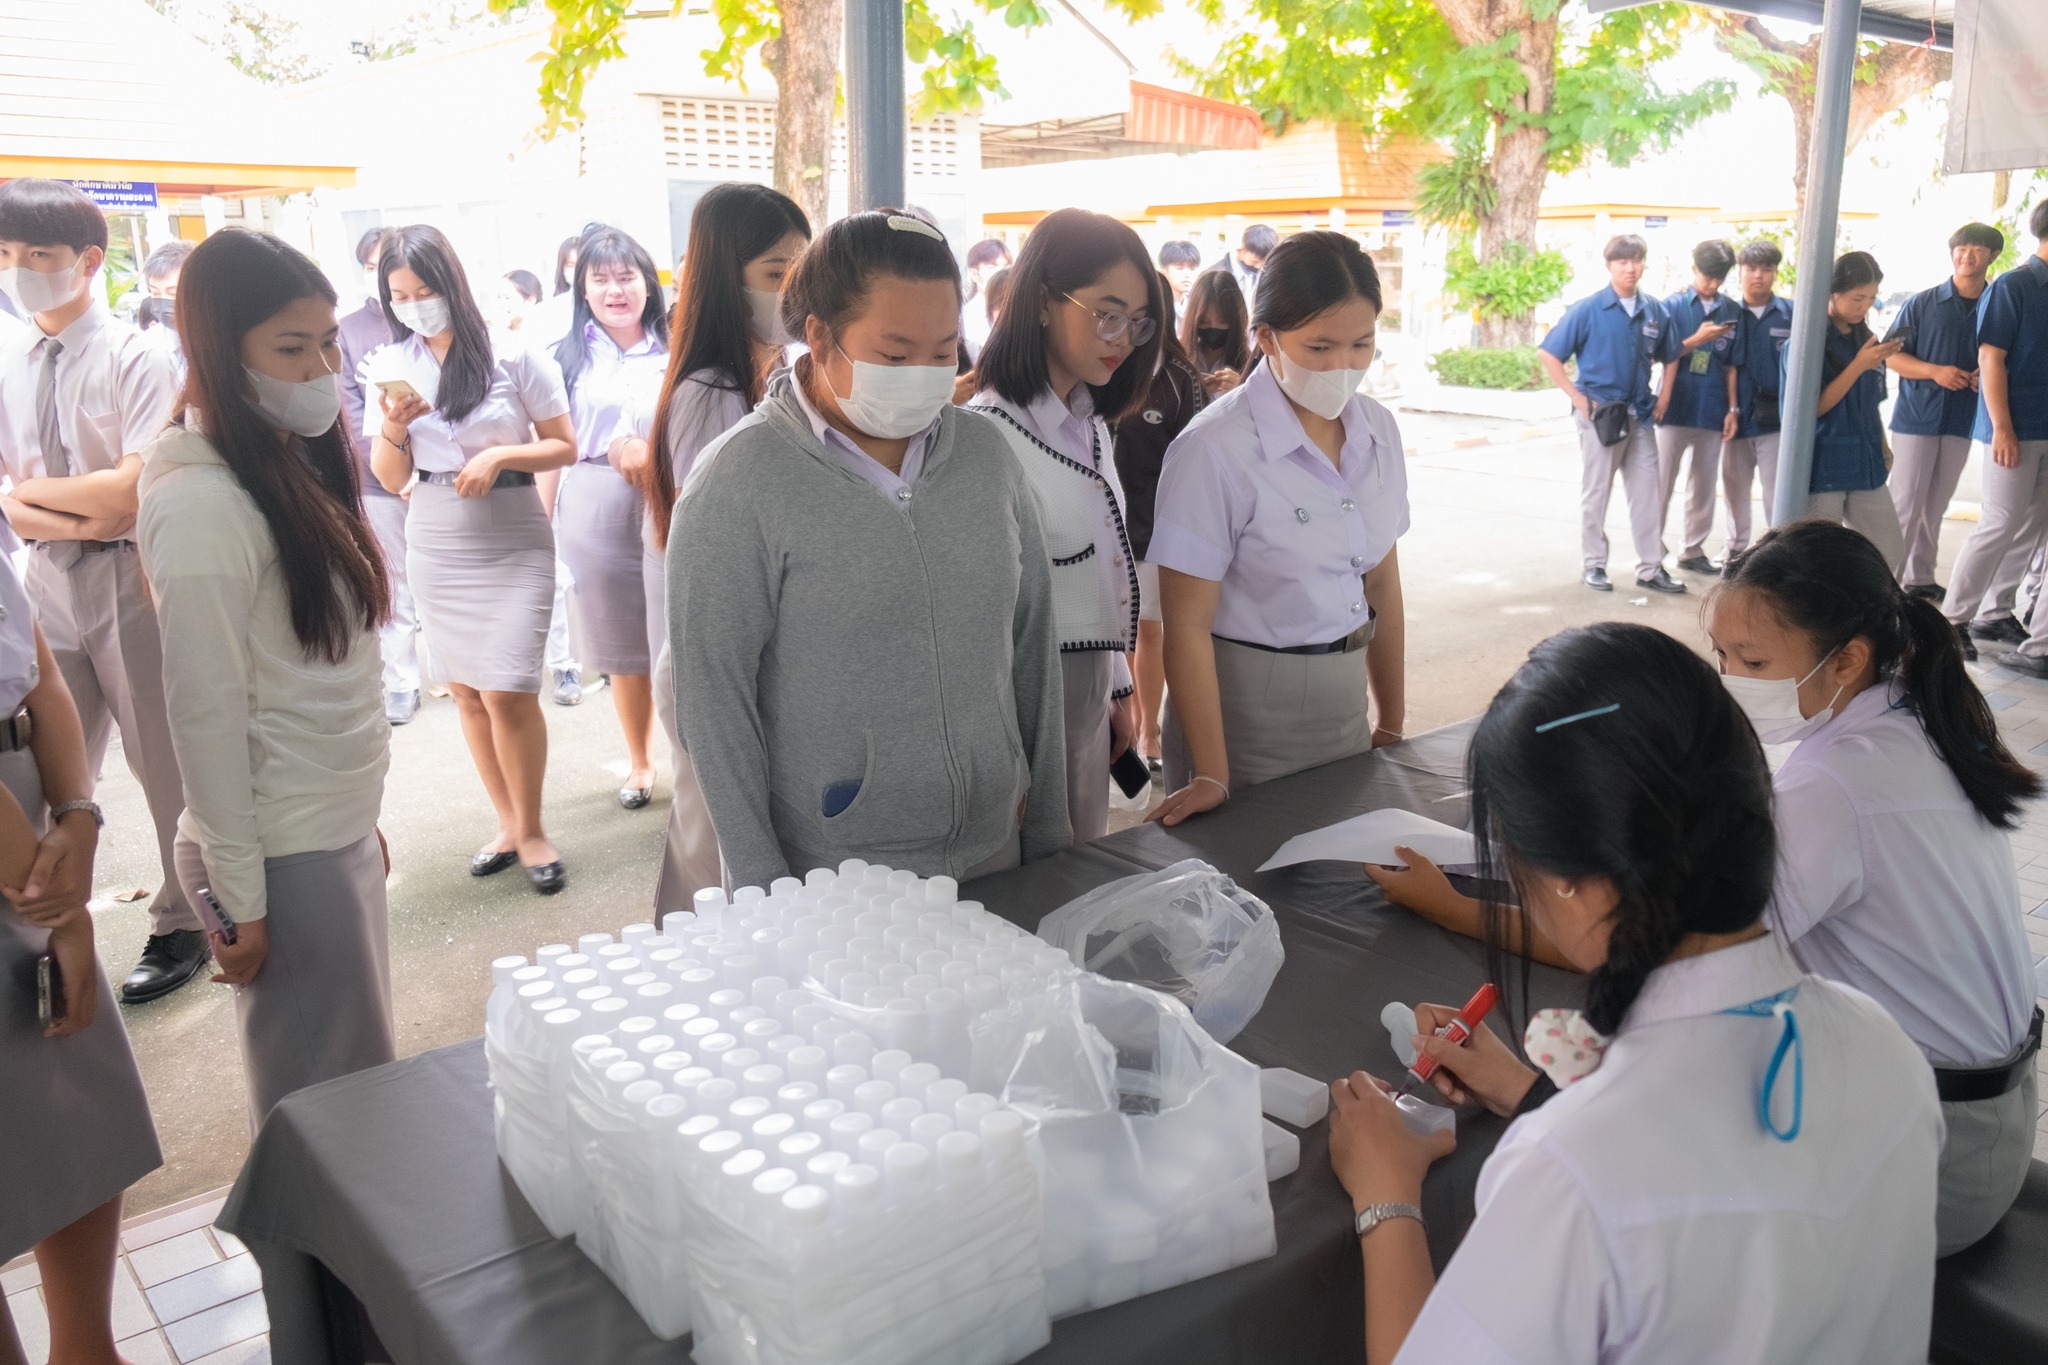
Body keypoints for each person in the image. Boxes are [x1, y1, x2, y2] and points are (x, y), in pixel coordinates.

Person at [1328, 622, 1940, 1365]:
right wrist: (1529, 1090)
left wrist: (1384, 1194)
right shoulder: (1886, 1049)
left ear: (1569, 883)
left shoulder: (1572, 1175)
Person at [669, 209, 1070, 886]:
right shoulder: (738, 482)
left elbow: (1032, 640)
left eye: (944, 352)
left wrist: (1052, 827)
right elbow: (713, 704)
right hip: (836, 877)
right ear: (821, 337)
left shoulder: (985, 455)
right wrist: (764, 887)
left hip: (993, 848)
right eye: (894, 354)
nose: (923, 371)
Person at [1712, 521, 2040, 1255]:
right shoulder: (1912, 719)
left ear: (1847, 660)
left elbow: (1698, 947)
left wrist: (1457, 901)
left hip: (1940, 1158)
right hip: (1984, 1117)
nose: (1729, 677)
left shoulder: (1837, 781)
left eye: (1752, 658)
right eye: (1721, 654)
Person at [138, 228, 398, 1125]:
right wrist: (241, 898)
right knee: (330, 1108)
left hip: (322, 833)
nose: (325, 365)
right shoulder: (200, 498)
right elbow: (204, 717)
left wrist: (360, 827)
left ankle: (338, 1268)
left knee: (353, 1085)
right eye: (293, 347)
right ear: (217, 347)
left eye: (329, 341)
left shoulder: (276, 464)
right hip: (281, 852)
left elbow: (316, 679)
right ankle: (315, 1273)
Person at [0, 177, 206, 1004]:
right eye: (7, 254)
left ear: (89, 261)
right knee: (51, 760)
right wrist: (59, 509)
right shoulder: (11, 359)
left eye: (38, 255)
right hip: (42, 580)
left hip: (130, 572)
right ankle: (46, 917)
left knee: (163, 759)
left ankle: (183, 915)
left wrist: (31, 504)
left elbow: (129, 492)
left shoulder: (137, 353)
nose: (20, 269)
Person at [1148, 230, 1407, 827]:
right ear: (1265, 338)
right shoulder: (1214, 450)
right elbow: (1185, 624)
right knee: (1249, 882)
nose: (1342, 367)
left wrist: (1389, 720)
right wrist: (1212, 770)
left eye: (1361, 345)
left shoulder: (1378, 431)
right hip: (1243, 712)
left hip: (1344, 698)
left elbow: (1383, 588)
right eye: (1318, 347)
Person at [366, 224, 577, 893]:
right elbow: (384, 468)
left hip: (512, 530)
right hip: (436, 530)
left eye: (423, 290)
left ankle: (535, 827)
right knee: (468, 692)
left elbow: (563, 446)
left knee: (510, 687)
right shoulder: (390, 363)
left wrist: (501, 454)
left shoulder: (515, 354)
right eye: (399, 294)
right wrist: (396, 425)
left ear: (450, 283)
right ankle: (509, 823)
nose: (413, 303)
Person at [619, 181, 809, 910]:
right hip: (719, 658)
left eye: (801, 267)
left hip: (753, 651)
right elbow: (721, 545)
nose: (792, 288)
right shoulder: (711, 389)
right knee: (718, 856)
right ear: (725, 279)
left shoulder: (778, 373)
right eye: (774, 272)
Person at [0, 520, 161, 1365]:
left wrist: (78, 815)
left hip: (27, 807)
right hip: (14, 847)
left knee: (72, 1100)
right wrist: (55, 911)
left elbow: (40, 670)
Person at [969, 208, 1159, 843]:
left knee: (1081, 861)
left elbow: (1102, 568)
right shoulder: (986, 438)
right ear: (1045, 302)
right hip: (1023, 701)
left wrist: (1119, 685)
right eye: (1107, 313)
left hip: (1088, 690)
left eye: (1137, 321)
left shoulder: (1091, 425)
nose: (1122, 337)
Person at [552, 226, 669, 810]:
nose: (615, 289)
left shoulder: (680, 346)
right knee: (624, 642)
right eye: (600, 279)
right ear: (583, 290)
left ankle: (695, 758)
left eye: (626, 276)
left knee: (678, 630)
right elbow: (552, 442)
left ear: (648, 283)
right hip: (597, 496)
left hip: (669, 492)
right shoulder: (566, 355)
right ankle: (642, 761)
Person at [1539, 234, 1716, 596]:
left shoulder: (1654, 309)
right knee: (1597, 491)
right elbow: (1548, 355)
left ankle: (1651, 568)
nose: (1630, 267)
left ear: (1644, 263)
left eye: (1636, 260)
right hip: (1601, 415)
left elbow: (1671, 354)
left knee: (1648, 493)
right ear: (1609, 266)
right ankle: (1594, 565)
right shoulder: (1588, 309)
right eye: (1622, 261)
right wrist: (1578, 398)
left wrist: (1664, 393)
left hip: (1641, 415)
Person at [1942, 203, 2048, 672]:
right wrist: (2002, 427)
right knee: (2000, 521)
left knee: (2030, 526)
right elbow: (1991, 360)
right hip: (2016, 428)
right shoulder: (2016, 285)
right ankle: (1953, 620)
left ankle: (1996, 613)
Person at [1112, 271, 1206, 773]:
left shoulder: (1178, 377)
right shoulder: (1104, 366)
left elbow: (1195, 457)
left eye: (1142, 313)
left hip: (1156, 529)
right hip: (1105, 528)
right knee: (1117, 635)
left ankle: (1150, 732)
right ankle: (1124, 724)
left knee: (1151, 632)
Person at [1887, 223, 2004, 603]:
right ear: (1951, 253)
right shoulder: (1922, 303)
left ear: (1992, 257)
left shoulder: (1998, 303)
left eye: (1978, 249)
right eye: (1962, 247)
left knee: (1936, 504)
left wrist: (1981, 377)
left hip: (1964, 417)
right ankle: (1887, 584)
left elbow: (2004, 358)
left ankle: (1920, 577)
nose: (1968, 255)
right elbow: (1892, 354)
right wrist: (1935, 371)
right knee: (1906, 503)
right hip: (1917, 418)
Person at [338, 228, 420, 726]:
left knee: (435, 578)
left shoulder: (426, 325)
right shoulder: (348, 329)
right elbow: (347, 410)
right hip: (377, 479)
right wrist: (389, 468)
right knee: (393, 580)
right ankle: (403, 680)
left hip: (438, 476)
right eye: (372, 266)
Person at [1787, 251, 1906, 567]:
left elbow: (1870, 403)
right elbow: (1810, 409)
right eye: (1857, 298)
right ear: (1831, 292)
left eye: (1871, 298)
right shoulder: (1806, 340)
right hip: (1823, 464)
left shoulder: (1865, 338)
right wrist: (1859, 365)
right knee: (1820, 561)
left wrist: (1882, 445)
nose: (1864, 306)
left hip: (1865, 461)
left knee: (1889, 553)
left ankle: (1867, 612)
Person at [1653, 239, 1740, 574]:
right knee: (1660, 484)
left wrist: (1732, 409)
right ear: (1694, 270)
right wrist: (1694, 341)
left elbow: (1733, 364)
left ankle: (1692, 549)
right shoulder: (1671, 306)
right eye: (1707, 276)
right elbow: (1659, 354)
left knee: (1703, 485)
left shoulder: (1731, 310)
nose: (1712, 283)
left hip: (1712, 408)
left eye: (1719, 278)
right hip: (1673, 408)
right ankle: (1652, 551)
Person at [1723, 238, 1792, 559]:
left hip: (1776, 422)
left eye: (1767, 269)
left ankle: (1775, 554)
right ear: (1740, 272)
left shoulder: (1792, 314)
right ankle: (1736, 550)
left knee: (1776, 493)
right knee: (1734, 491)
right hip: (1733, 421)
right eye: (1751, 268)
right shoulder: (1728, 314)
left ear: (1776, 273)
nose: (1758, 276)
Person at [1182, 270, 1250, 399]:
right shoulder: (1179, 359)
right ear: (1193, 321)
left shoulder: (1251, 366)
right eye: (1204, 321)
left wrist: (1241, 389)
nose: (1213, 327)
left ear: (1235, 321)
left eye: (1223, 321)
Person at [141, 239, 193, 377]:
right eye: (155, 293)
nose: (163, 303)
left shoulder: (223, 339)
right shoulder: (144, 349)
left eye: (173, 293)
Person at [1204, 223, 1276, 304]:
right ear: (1240, 250)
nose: (1259, 266)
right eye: (1254, 261)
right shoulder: (1215, 276)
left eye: (1263, 263)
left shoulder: (1268, 272)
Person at [962, 237, 1011, 358]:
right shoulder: (964, 315)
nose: (1001, 273)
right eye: (992, 267)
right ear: (974, 274)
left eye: (1007, 267)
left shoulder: (1020, 309)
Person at [497, 268, 544, 334]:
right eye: (499, 297)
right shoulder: (495, 335)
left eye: (507, 298)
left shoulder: (544, 335)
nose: (501, 303)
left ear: (530, 300)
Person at [1159, 239, 1202, 308]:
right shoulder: (1158, 306)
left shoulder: (1197, 305)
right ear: (1164, 272)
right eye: (1180, 268)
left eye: (1192, 269)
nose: (1187, 275)